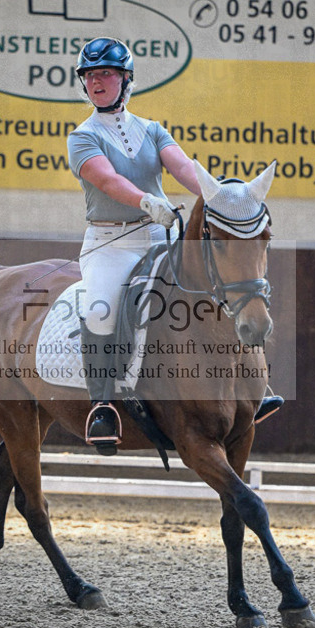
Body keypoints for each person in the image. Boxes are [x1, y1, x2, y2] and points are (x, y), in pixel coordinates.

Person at [68, 37, 282, 454]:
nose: (97, 82)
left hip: (159, 235)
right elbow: (108, 180)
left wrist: (217, 195)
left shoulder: (151, 130)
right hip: (110, 242)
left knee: (214, 289)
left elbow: (182, 166)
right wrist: (147, 201)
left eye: (106, 74)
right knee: (101, 309)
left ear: (125, 80)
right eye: (90, 76)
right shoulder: (83, 137)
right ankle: (103, 406)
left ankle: (250, 387)